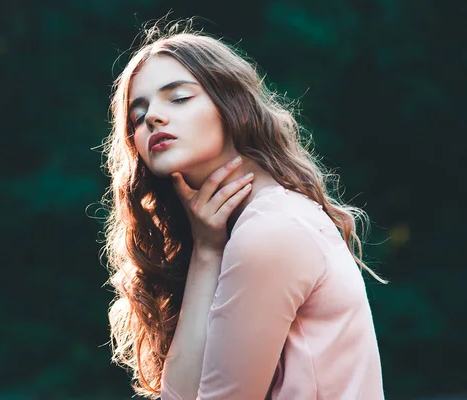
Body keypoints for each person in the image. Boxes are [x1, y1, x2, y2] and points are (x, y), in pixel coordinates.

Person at [102, 20, 386, 400]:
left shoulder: (270, 230)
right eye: (138, 116)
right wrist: (206, 253)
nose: (152, 116)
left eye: (179, 98)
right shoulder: (244, 227)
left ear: (232, 104)